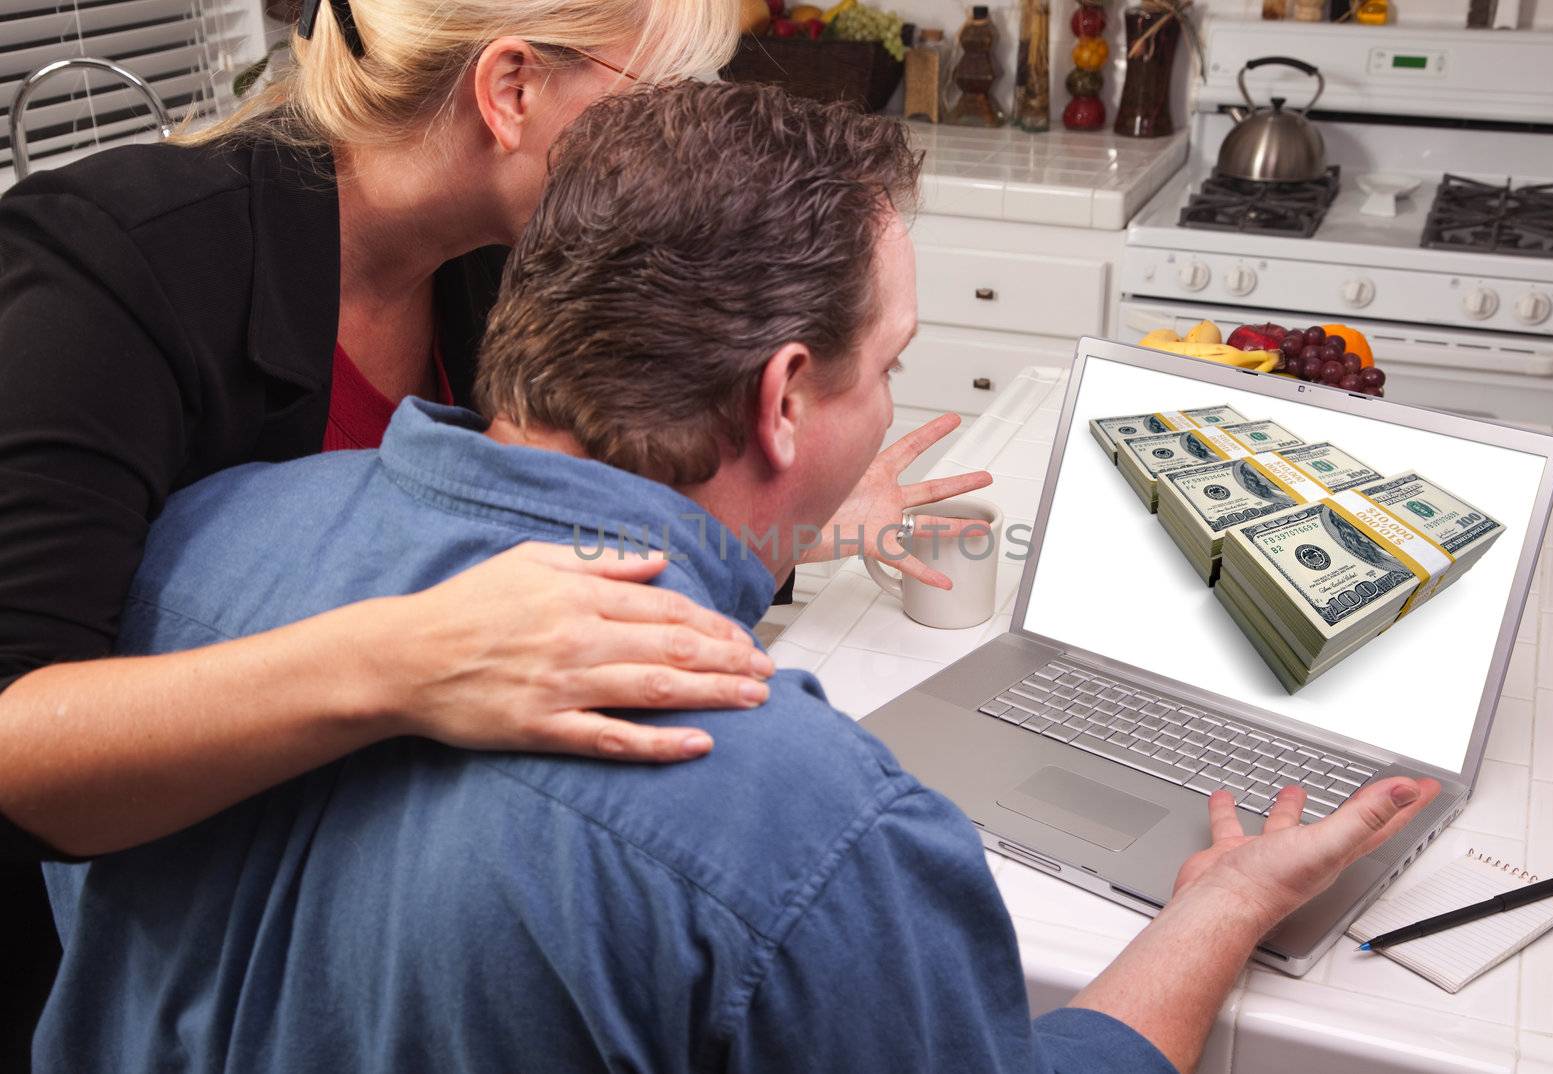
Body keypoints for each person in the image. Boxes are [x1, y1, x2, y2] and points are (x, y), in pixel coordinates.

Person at [37, 81, 1440, 1074]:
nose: (888, 399)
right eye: (886, 366)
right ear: (782, 400)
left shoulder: (201, 543)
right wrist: (1219, 907)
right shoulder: (805, 821)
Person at [0, 0, 987, 1056]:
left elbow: (547, 494)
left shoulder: (502, 254)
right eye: (657, 96)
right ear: (510, 88)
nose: (681, 137)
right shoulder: (113, 271)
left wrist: (792, 522)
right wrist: (409, 656)